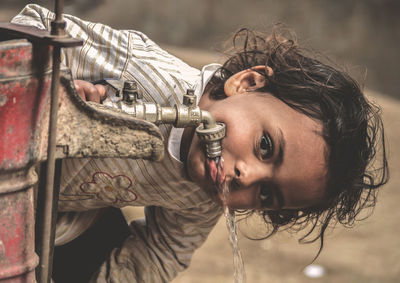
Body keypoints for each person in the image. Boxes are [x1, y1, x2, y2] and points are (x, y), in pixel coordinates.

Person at [11, 4, 388, 283]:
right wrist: (52, 85)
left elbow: (163, 251)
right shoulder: (139, 70)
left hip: (50, 217)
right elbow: (35, 24)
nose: (245, 176)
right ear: (247, 84)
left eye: (266, 194)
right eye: (266, 147)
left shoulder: (206, 194)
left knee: (106, 247)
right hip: (12, 130)